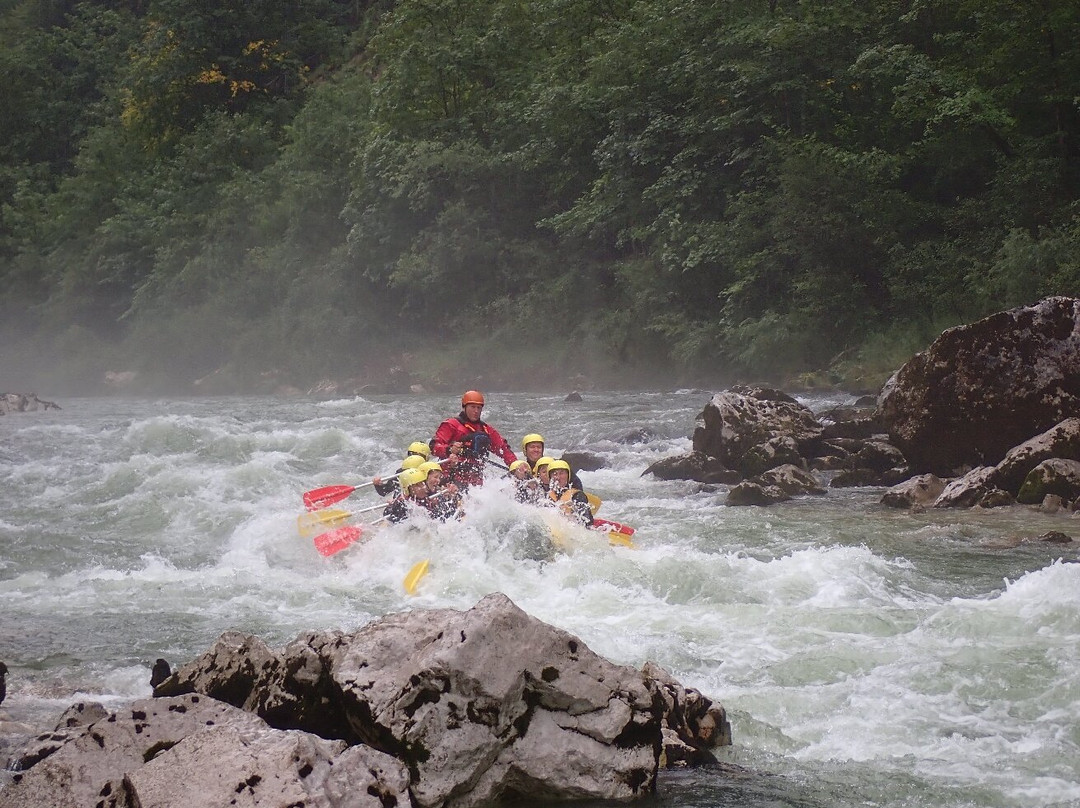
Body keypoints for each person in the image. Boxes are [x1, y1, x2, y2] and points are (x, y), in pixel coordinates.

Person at [431, 390, 517, 489]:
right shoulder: (451, 425)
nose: (476, 411)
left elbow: (504, 449)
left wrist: (515, 465)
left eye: (479, 408)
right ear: (465, 407)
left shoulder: (486, 430)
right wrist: (449, 449)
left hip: (475, 482)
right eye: (472, 407)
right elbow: (434, 446)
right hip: (450, 477)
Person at [546, 459, 594, 527]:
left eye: (561, 473)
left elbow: (587, 522)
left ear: (568, 475)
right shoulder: (546, 497)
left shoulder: (577, 496)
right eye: (554, 474)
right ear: (550, 477)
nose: (558, 477)